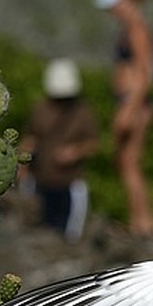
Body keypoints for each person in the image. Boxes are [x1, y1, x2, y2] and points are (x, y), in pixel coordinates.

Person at [93, 0, 153, 238]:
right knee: (126, 163)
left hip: (135, 102)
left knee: (130, 163)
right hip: (130, 100)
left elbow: (145, 73)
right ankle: (140, 221)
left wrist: (130, 108)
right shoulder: (130, 28)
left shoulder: (137, 29)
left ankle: (144, 224)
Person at [20, 58, 98, 242]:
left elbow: (93, 144)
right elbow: (30, 139)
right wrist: (21, 166)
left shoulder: (83, 112)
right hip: (40, 182)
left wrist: (74, 152)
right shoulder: (40, 109)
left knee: (68, 238)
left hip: (69, 184)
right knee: (36, 233)